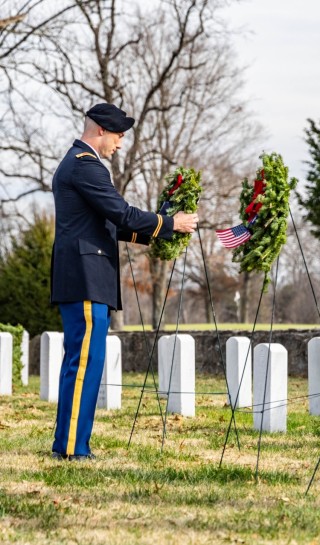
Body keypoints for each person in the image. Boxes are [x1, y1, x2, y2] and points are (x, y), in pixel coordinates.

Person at [50, 103, 198, 460]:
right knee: (84, 365)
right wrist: (169, 223)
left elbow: (108, 226)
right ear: (100, 130)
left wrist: (157, 231)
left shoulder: (79, 164)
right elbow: (121, 212)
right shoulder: (86, 166)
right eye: (118, 135)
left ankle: (71, 443)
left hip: (86, 278)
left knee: (84, 363)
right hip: (86, 279)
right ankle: (71, 448)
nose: (119, 144)